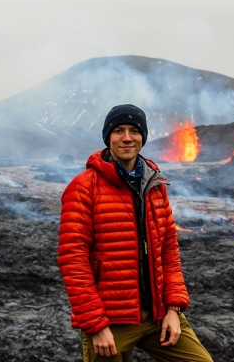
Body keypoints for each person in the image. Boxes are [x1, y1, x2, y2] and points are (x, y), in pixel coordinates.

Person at [58, 104, 213, 361]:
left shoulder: (155, 183)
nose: (127, 138)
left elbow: (168, 250)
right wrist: (95, 325)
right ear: (108, 137)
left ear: (143, 137)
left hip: (158, 314)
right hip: (111, 320)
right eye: (119, 130)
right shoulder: (83, 187)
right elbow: (73, 260)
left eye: (134, 131)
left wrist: (173, 308)